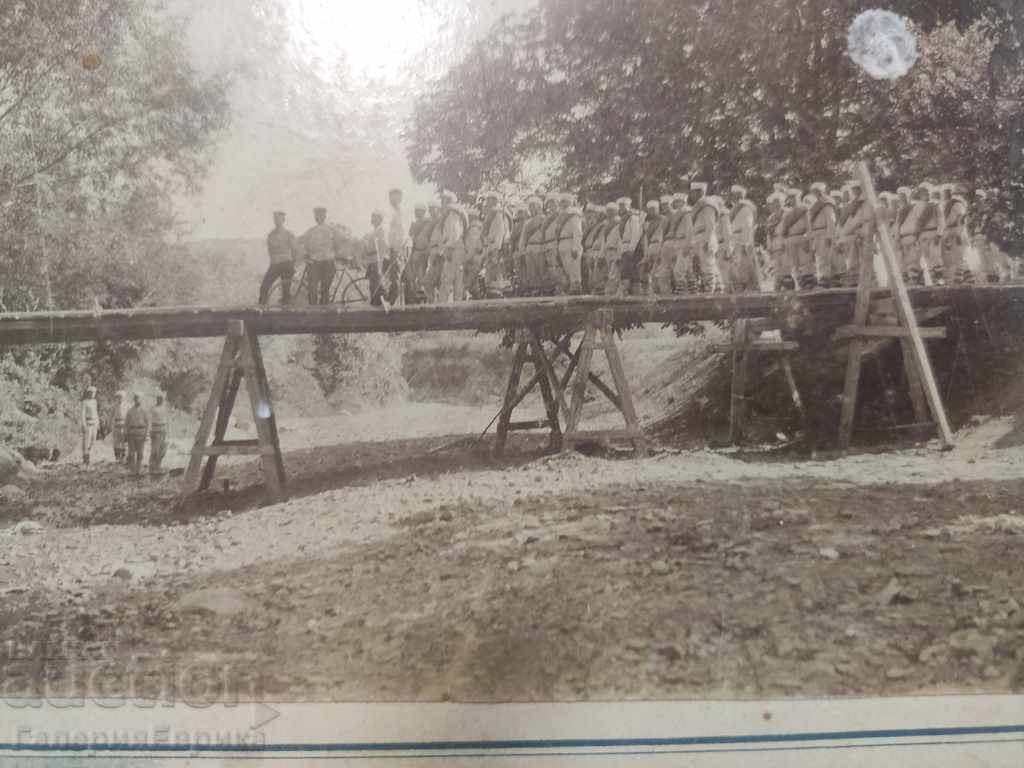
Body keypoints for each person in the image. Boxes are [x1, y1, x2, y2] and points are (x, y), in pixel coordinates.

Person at [299, 207, 343, 304]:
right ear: (315, 217)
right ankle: (313, 314)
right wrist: (305, 255)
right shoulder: (311, 231)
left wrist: (334, 253)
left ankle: (324, 315)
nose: (319, 217)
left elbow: (339, 241)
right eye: (317, 215)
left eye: (321, 215)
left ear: (325, 216)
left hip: (328, 262)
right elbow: (301, 241)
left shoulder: (332, 229)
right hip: (314, 263)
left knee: (324, 290)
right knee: (312, 290)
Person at [258, 211, 297, 305]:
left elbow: (295, 250)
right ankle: (261, 310)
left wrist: (292, 264)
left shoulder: (289, 234)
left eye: (279, 219)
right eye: (275, 219)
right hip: (275, 265)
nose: (277, 221)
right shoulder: (271, 235)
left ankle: (287, 313)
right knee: (264, 287)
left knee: (286, 292)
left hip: (287, 264)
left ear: (283, 220)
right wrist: (273, 263)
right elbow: (270, 251)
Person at [689, 182, 720, 293]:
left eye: (693, 192)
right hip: (698, 239)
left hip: (706, 238)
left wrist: (707, 240)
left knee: (708, 266)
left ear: (700, 192)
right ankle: (708, 291)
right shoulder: (699, 205)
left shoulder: (707, 205)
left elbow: (710, 224)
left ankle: (710, 292)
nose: (691, 195)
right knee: (699, 267)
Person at [438, 190, 467, 302]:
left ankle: (443, 304)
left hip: (454, 248)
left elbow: (455, 232)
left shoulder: (452, 215)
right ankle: (456, 304)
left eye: (444, 200)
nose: (442, 203)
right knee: (457, 279)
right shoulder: (453, 214)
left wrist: (449, 248)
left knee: (447, 278)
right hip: (456, 247)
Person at [728, 185, 758, 293]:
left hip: (742, 242)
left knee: (745, 269)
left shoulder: (745, 209)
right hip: (735, 241)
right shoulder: (734, 209)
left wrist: (746, 243)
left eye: (736, 195)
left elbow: (747, 227)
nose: (734, 198)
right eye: (733, 195)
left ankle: (750, 291)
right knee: (736, 270)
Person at [480, 191, 509, 296]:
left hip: (495, 245)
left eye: (490, 200)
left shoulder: (497, 214)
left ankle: (497, 289)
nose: (487, 202)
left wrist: (496, 247)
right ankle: (494, 288)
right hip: (490, 245)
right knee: (491, 266)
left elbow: (499, 232)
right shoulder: (491, 215)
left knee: (494, 265)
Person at [554, 193, 584, 293]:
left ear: (570, 202)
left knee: (574, 267)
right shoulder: (561, 215)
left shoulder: (574, 214)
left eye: (565, 201)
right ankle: (572, 285)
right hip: (562, 242)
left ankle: (576, 286)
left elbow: (577, 231)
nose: (563, 203)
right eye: (561, 201)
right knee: (567, 268)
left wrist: (575, 247)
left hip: (571, 241)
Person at [942, 184, 971, 284]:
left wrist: (959, 231)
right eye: (945, 192)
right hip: (951, 231)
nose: (946, 194)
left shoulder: (957, 203)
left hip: (958, 231)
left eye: (948, 192)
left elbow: (961, 217)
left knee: (960, 255)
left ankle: (959, 279)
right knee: (956, 256)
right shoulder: (946, 205)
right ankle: (969, 278)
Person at [408, 203, 431, 302]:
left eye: (419, 210)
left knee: (422, 274)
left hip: (424, 252)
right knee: (413, 275)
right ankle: (415, 296)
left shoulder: (428, 222)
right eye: (416, 210)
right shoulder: (413, 224)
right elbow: (411, 238)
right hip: (415, 251)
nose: (417, 212)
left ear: (424, 212)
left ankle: (422, 295)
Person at [124, 393, 149, 477]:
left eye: (139, 399)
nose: (137, 400)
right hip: (132, 432)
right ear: (134, 400)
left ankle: (138, 470)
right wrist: (126, 433)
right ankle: (132, 471)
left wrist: (146, 434)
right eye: (136, 399)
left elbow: (148, 423)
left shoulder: (144, 411)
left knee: (140, 453)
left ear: (141, 400)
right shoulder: (130, 411)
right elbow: (126, 423)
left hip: (141, 432)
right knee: (131, 453)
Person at [149, 394, 168, 476]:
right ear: (157, 399)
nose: (161, 400)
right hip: (155, 430)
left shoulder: (165, 408)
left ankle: (158, 466)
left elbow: (168, 421)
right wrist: (150, 431)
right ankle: (152, 468)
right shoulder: (153, 409)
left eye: (162, 399)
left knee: (163, 451)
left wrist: (168, 432)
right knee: (155, 451)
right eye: (159, 398)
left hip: (163, 430)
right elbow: (149, 421)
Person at [80, 386, 99, 465]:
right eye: (91, 393)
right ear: (88, 393)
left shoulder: (94, 402)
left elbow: (96, 413)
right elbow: (82, 414)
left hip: (94, 423)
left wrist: (98, 423)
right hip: (88, 423)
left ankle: (89, 452)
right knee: (86, 441)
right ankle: (86, 457)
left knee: (93, 440)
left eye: (94, 393)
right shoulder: (85, 402)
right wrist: (83, 424)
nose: (92, 394)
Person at [111, 389, 128, 462]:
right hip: (116, 424)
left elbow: (129, 415)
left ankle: (123, 456)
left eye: (121, 397)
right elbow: (111, 415)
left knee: (124, 441)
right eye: (119, 397)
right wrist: (109, 424)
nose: (120, 398)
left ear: (124, 397)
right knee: (116, 441)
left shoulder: (128, 405)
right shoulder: (114, 406)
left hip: (124, 424)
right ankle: (117, 457)